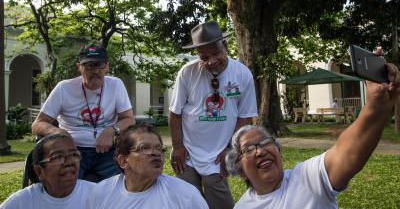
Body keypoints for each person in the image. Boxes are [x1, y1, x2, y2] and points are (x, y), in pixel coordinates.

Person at [225, 49, 400, 208]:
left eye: (265, 142)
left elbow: (347, 153)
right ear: (240, 170)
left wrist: (374, 108)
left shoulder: (307, 178)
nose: (260, 151)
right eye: (248, 149)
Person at [169, 21, 258, 209]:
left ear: (224, 46)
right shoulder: (187, 72)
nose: (211, 61)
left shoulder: (242, 74)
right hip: (187, 152)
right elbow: (175, 113)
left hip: (218, 153)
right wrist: (177, 146)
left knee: (220, 200)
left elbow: (244, 117)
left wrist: (231, 149)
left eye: (216, 53)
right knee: (188, 201)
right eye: (204, 57)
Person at [32, 44, 135, 182]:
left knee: (121, 185)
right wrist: (60, 133)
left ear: (107, 66)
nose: (96, 71)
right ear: (79, 67)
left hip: (107, 150)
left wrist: (111, 130)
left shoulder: (116, 85)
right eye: (89, 66)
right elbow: (37, 124)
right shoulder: (64, 88)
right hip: (72, 151)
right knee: (66, 186)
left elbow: (129, 119)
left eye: (100, 65)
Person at [86, 124, 209, 209]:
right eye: (144, 148)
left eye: (159, 148)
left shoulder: (186, 195)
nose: (156, 153)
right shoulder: (102, 192)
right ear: (123, 161)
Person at [1, 134, 95, 208]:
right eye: (57, 157)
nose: (69, 162)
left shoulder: (97, 195)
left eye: (74, 155)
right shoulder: (21, 202)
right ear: (39, 171)